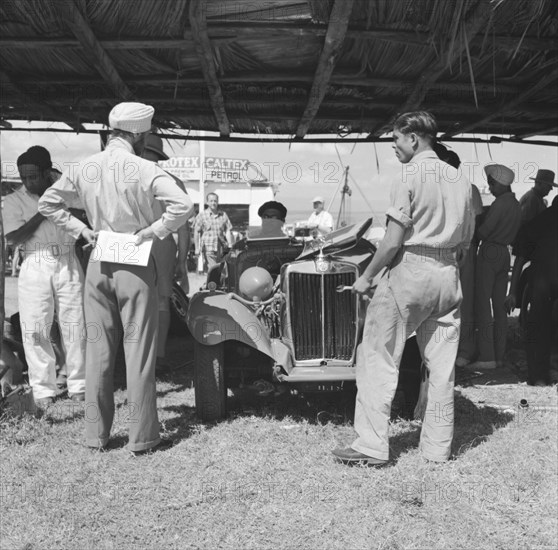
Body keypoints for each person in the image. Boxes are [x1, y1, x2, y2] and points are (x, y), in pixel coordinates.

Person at [38, 102, 194, 455]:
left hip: (98, 260)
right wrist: (153, 231)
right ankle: (142, 438)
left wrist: (81, 229)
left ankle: (96, 435)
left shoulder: (83, 167)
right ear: (139, 134)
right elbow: (183, 206)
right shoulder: (144, 167)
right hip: (135, 260)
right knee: (138, 352)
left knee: (98, 351)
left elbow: (48, 203)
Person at [332, 111, 475, 465]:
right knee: (442, 368)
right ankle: (437, 449)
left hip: (412, 270)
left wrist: (366, 277)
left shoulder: (409, 175)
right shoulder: (460, 179)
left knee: (378, 355)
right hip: (448, 273)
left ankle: (371, 445)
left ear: (413, 137)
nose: (394, 146)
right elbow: (468, 239)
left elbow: (393, 239)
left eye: (395, 139)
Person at [3, 146, 86, 409]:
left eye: (33, 177)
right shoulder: (15, 200)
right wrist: (44, 210)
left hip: (68, 259)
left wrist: (58, 202)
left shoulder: (69, 192)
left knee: (76, 325)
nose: (28, 182)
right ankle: (43, 389)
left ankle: (79, 384)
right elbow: (13, 238)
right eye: (23, 177)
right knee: (35, 328)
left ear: (47, 172)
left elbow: (88, 218)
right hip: (34, 262)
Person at [141, 133, 191, 372]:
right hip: (162, 242)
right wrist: (182, 260)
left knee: (134, 302)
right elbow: (183, 226)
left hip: (133, 241)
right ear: (159, 155)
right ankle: (158, 356)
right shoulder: (171, 181)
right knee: (162, 301)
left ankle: (138, 358)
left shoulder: (128, 178)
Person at [433, 143, 484, 368]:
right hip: (454, 248)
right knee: (450, 301)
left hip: (457, 248)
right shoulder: (457, 188)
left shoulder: (464, 188)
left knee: (459, 300)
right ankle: (452, 350)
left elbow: (477, 221)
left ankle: (463, 350)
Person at [471, 164, 522, 369]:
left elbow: (483, 232)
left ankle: (487, 356)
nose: (490, 188)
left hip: (490, 250)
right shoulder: (516, 204)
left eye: (492, 184)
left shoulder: (499, 204)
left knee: (483, 305)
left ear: (501, 184)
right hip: (504, 253)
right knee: (500, 308)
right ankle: (499, 355)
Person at [505, 197, 558, 386]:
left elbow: (520, 258)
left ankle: (539, 378)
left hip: (541, 281)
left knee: (538, 328)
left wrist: (512, 291)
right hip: (543, 279)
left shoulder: (540, 220)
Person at [194, 192, 233, 271]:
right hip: (208, 247)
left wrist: (230, 244)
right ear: (207, 202)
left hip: (221, 248)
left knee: (221, 270)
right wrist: (196, 248)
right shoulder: (202, 215)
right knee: (213, 269)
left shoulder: (223, 215)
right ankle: (212, 282)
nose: (213, 203)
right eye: (211, 201)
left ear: (218, 202)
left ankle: (210, 283)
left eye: (215, 201)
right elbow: (196, 232)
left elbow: (228, 230)